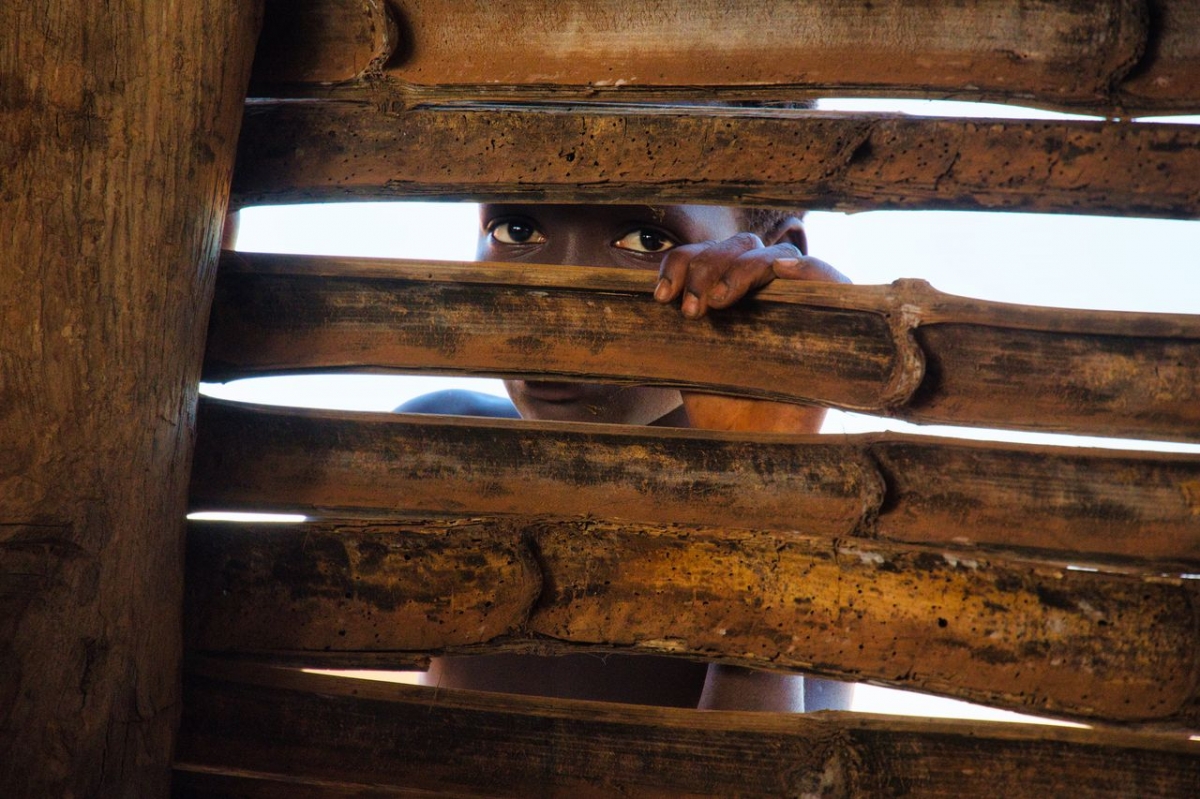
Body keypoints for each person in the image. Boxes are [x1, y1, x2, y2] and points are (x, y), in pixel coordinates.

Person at [407, 202, 853, 711]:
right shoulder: (422, 466)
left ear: (778, 258)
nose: (557, 308)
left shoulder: (817, 542)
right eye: (516, 229)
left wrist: (762, 501)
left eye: (646, 240)